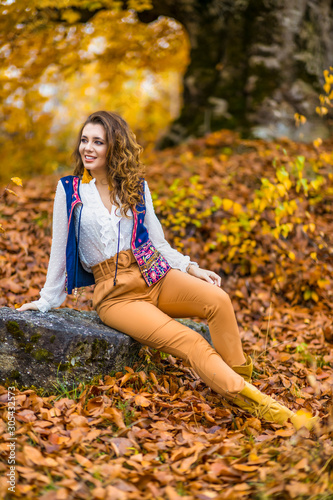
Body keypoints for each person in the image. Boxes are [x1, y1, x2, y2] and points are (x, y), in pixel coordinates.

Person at [17, 111, 317, 430]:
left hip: (154, 275)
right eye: (84, 140)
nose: (87, 148)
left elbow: (157, 242)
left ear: (114, 148)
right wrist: (46, 300)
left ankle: (242, 388)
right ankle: (271, 411)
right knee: (191, 343)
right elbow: (58, 251)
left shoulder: (135, 188)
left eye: (98, 142)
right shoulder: (71, 191)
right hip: (118, 298)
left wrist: (191, 267)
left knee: (219, 301)